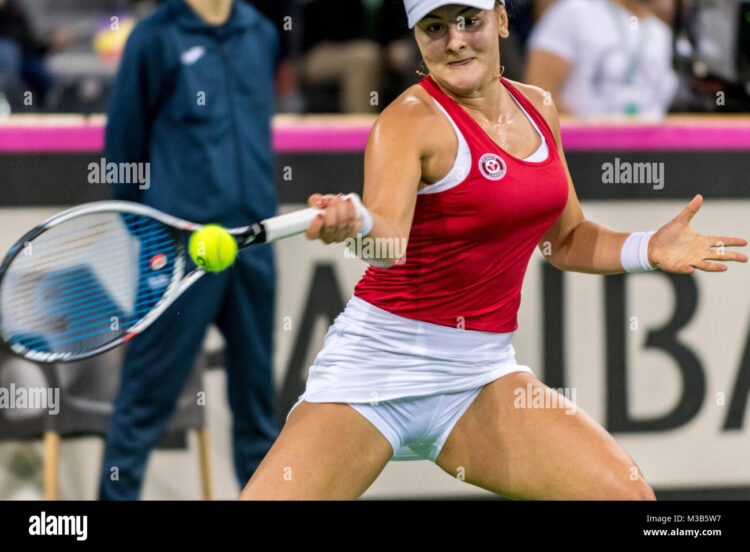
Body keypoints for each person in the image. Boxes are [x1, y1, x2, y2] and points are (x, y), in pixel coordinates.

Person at [239, 0, 747, 500]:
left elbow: (566, 240)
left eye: (469, 20)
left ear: (502, 19)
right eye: (434, 27)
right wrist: (355, 226)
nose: (455, 40)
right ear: (417, 40)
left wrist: (646, 248)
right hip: (378, 369)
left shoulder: (539, 107)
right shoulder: (409, 120)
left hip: (479, 375)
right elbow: (388, 245)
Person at [100, 0, 279, 499]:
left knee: (258, 406)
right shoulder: (152, 38)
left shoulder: (261, 33)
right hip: (179, 251)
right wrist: (156, 235)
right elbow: (123, 153)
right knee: (144, 402)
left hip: (255, 244)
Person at [524, 0, 678, 117]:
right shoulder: (573, 12)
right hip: (581, 151)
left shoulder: (660, 32)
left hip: (647, 152)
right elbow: (538, 95)